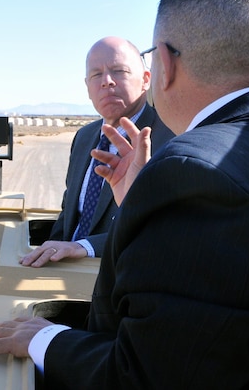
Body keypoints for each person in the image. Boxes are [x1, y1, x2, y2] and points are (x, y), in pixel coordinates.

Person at [0, 0, 249, 387]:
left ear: (163, 66)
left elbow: (145, 376)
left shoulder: (194, 174)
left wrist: (44, 338)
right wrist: (137, 206)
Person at [21, 36, 172, 264]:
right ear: (87, 87)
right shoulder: (84, 137)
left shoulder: (170, 141)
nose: (107, 81)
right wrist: (49, 252)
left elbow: (164, 227)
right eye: (96, 74)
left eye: (119, 71)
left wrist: (83, 247)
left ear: (145, 80)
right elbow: (68, 213)